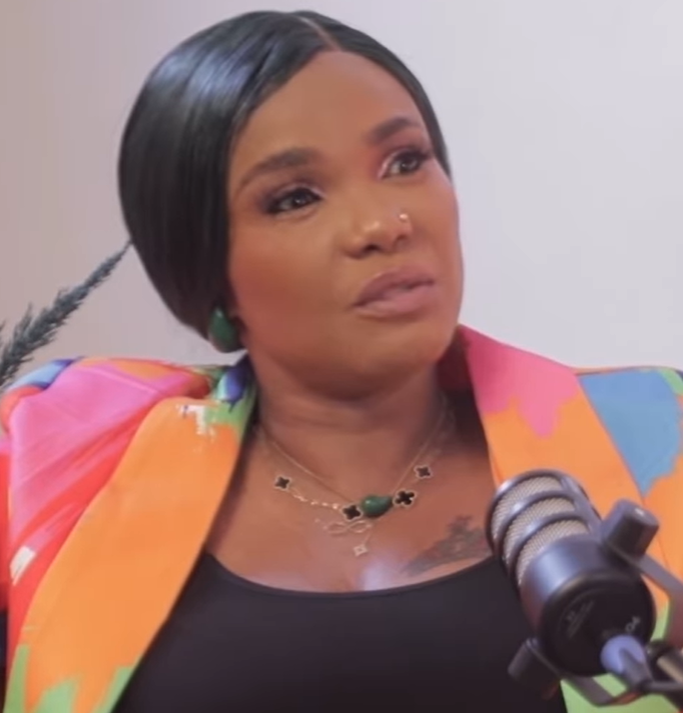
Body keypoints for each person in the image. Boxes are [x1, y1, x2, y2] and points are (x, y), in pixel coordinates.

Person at [0, 9, 681, 713]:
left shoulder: (657, 442)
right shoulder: (48, 469)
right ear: (207, 274)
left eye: (404, 162)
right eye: (295, 198)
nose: (383, 224)